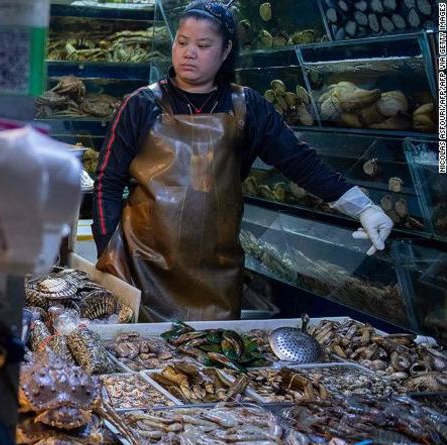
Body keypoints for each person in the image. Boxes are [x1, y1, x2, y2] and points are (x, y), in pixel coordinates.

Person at [92, 0, 394, 321]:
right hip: (140, 270)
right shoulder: (140, 105)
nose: (188, 52)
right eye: (182, 42)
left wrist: (363, 207)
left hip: (215, 280)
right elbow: (106, 185)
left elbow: (300, 162)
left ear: (225, 52)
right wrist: (109, 257)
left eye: (202, 45)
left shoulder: (247, 107)